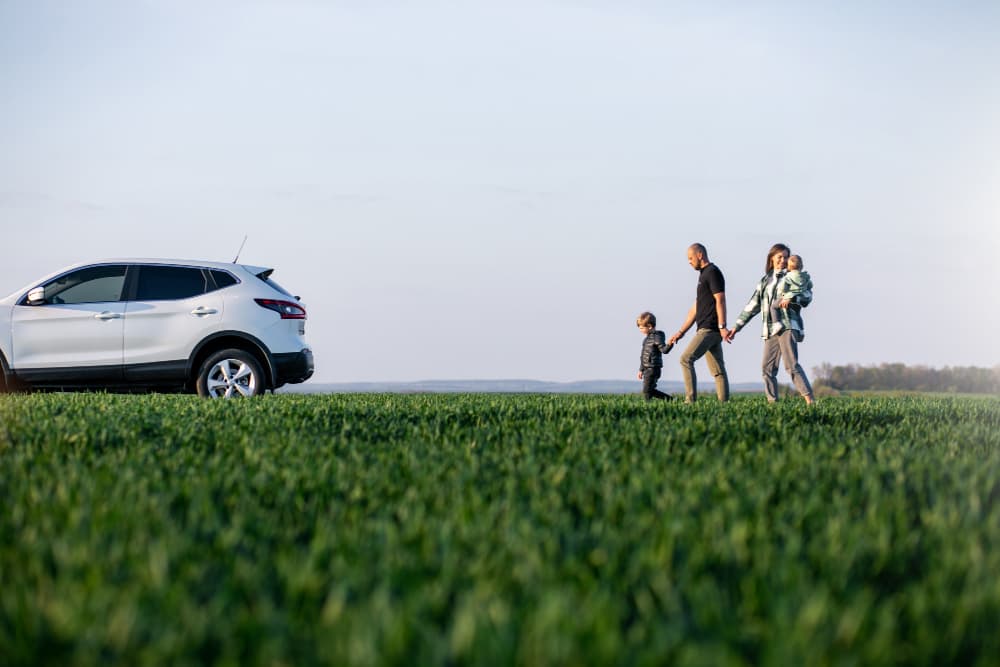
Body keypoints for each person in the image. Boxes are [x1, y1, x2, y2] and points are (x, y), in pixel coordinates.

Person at [727, 243, 815, 404]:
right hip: (770, 329)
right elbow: (752, 306)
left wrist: (792, 298)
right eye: (779, 257)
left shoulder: (794, 276)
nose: (783, 260)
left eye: (786, 257)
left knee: (791, 365)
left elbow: (807, 296)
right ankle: (773, 403)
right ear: (772, 259)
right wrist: (736, 327)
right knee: (767, 369)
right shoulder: (765, 281)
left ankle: (810, 401)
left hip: (788, 325)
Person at [667, 243, 731, 403]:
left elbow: (720, 300)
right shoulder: (703, 276)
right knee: (717, 370)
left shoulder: (712, 272)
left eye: (690, 258)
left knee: (685, 359)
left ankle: (690, 401)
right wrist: (680, 332)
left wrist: (722, 326)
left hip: (710, 329)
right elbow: (695, 309)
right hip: (707, 329)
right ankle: (724, 404)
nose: (689, 261)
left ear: (700, 255)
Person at [768, 254, 813, 336]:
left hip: (787, 297)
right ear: (801, 266)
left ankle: (776, 323)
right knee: (798, 314)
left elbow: (782, 288)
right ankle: (801, 330)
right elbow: (810, 285)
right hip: (799, 296)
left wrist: (783, 295)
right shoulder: (805, 277)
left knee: (773, 307)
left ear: (788, 267)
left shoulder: (788, 277)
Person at [636, 311, 674, 401]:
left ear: (649, 326)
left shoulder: (657, 336)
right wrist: (641, 369)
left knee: (647, 390)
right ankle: (670, 400)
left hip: (653, 368)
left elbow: (664, 350)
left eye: (641, 328)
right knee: (649, 390)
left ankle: (649, 405)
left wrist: (670, 344)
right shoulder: (646, 339)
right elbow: (643, 356)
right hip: (647, 368)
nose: (640, 330)